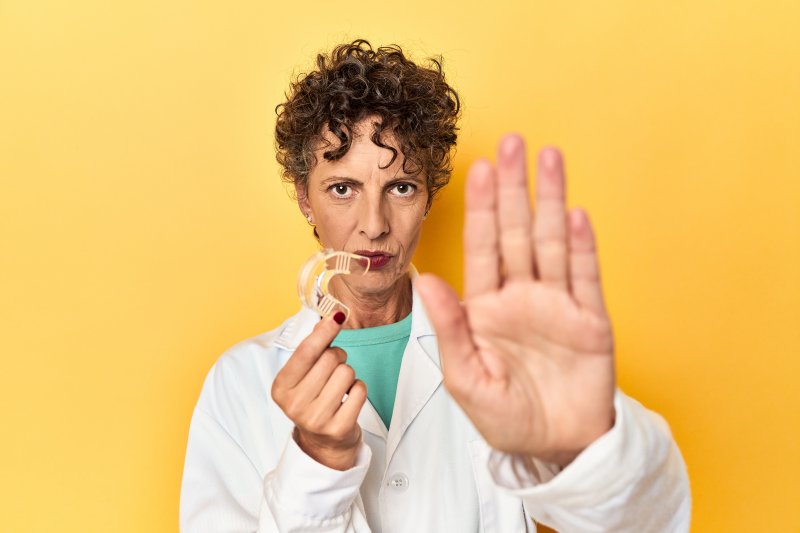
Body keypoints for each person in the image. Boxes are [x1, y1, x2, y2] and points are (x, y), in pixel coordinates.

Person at [179, 39, 691, 532]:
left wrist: (581, 452)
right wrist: (319, 460)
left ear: (428, 197)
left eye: (400, 187)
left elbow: (648, 522)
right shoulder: (239, 383)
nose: (374, 224)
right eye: (343, 189)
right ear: (305, 200)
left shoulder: (504, 351)